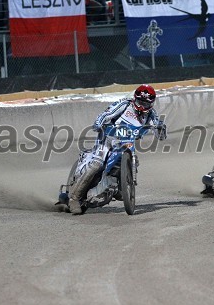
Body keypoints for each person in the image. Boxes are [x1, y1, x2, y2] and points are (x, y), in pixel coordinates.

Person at [67, 84, 167, 214]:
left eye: (146, 104)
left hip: (127, 143)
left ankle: (122, 186)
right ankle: (74, 198)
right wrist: (98, 124)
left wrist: (160, 128)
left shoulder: (152, 115)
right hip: (107, 139)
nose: (142, 106)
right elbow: (106, 114)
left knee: (134, 160)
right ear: (134, 99)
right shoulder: (124, 105)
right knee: (96, 164)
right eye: (140, 102)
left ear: (151, 104)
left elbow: (161, 137)